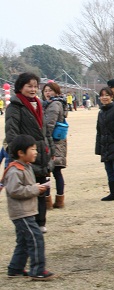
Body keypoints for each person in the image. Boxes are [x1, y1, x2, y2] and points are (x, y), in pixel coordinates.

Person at [5, 72, 54, 233]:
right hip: (25, 153)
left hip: (41, 153)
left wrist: (50, 149)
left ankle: (41, 222)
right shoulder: (15, 106)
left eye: (35, 86)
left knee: (41, 188)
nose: (33, 89)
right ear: (20, 87)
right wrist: (17, 153)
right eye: (29, 86)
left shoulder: (39, 103)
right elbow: (11, 132)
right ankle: (29, 222)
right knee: (28, 189)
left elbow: (45, 130)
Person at [2, 134, 55, 280]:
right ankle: (37, 270)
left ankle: (15, 268)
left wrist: (36, 187)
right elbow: (15, 190)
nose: (36, 152)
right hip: (21, 213)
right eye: (32, 149)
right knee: (36, 238)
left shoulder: (26, 167)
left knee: (24, 241)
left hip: (27, 211)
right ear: (21, 152)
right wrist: (35, 189)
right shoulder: (15, 170)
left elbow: (25, 187)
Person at [42, 82, 68, 209]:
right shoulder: (58, 103)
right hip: (58, 142)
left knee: (49, 171)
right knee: (56, 172)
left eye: (50, 90)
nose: (47, 93)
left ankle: (49, 201)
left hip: (53, 142)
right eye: (45, 91)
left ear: (56, 92)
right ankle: (59, 199)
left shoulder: (54, 105)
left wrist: (45, 139)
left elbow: (49, 125)